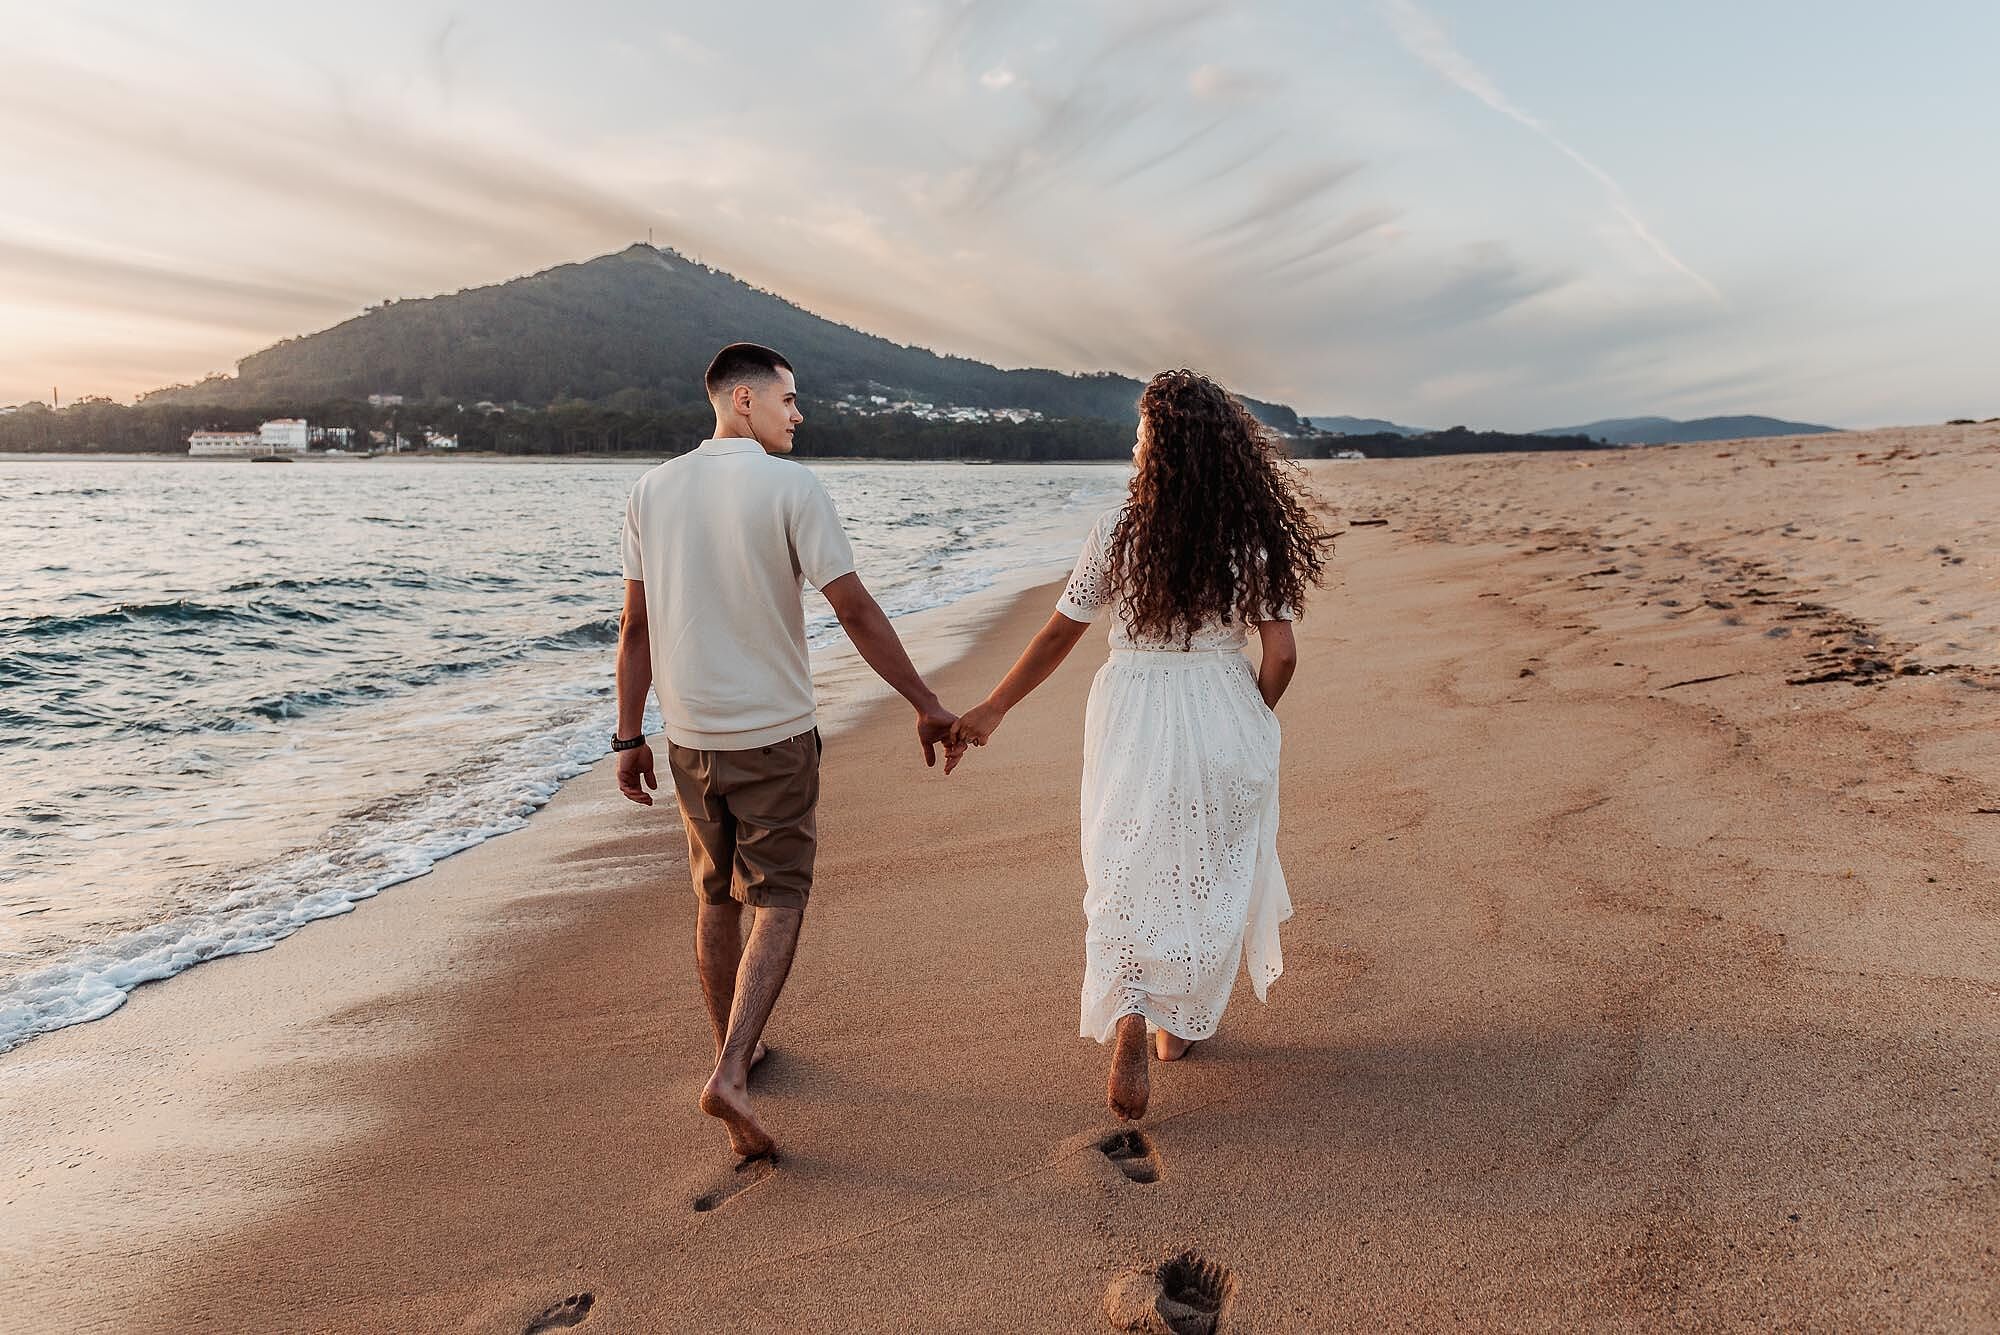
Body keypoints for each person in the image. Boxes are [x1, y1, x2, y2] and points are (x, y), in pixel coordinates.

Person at [613, 342, 965, 1161]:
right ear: (744, 400)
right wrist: (925, 702)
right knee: (780, 896)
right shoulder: (790, 486)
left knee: (715, 895)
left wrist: (629, 735)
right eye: (789, 400)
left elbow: (636, 630)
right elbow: (855, 610)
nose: (798, 414)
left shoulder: (650, 489)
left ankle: (734, 1046)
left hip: (688, 738)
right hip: (772, 735)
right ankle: (733, 1067)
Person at [951, 369, 1329, 1120]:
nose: (1133, 441)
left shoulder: (1119, 531)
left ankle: (1130, 1003)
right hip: (1219, 698)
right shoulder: (1247, 538)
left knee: (1128, 857)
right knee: (1203, 864)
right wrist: (1254, 712)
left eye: (1141, 431)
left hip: (1132, 704)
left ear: (1160, 448)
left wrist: (992, 708)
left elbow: (1060, 632)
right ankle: (1171, 1026)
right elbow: (1281, 653)